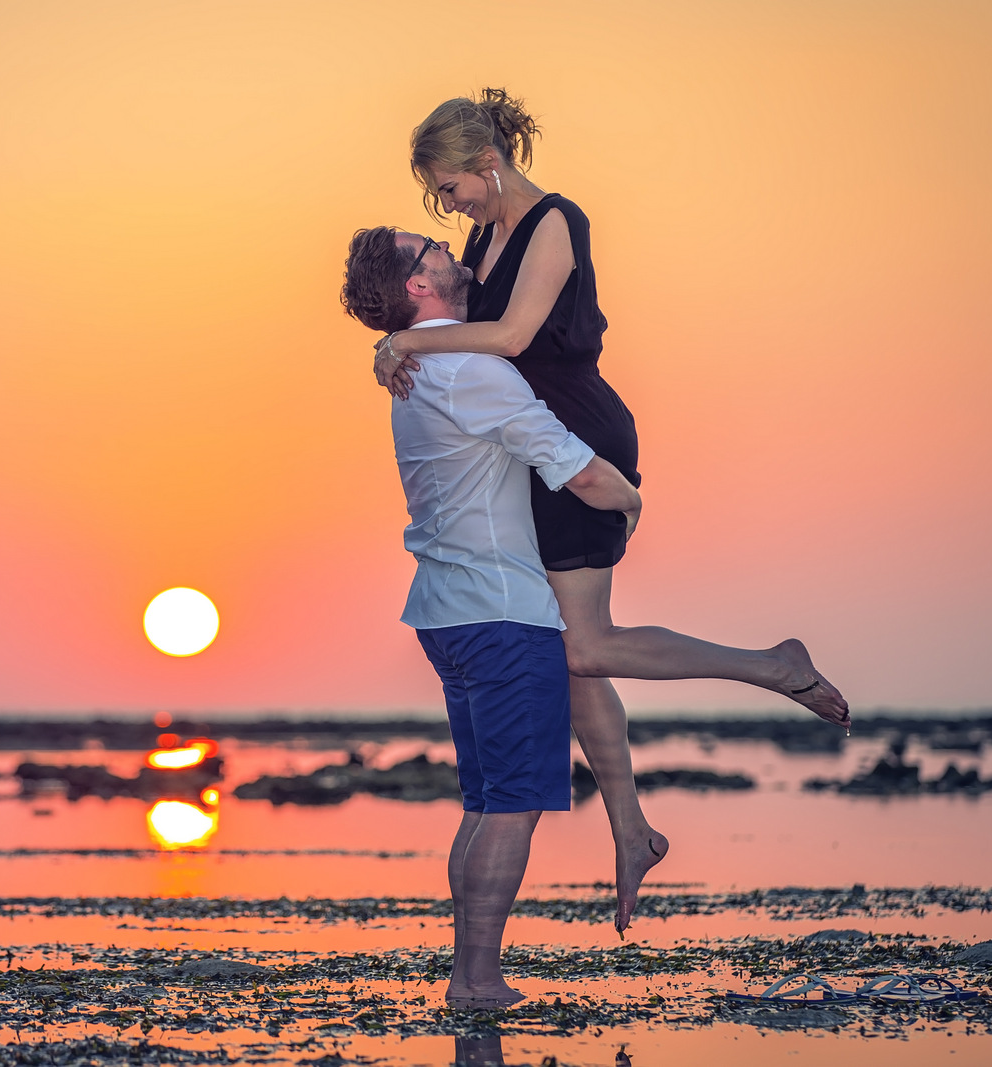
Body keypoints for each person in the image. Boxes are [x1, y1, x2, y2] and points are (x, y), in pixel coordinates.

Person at [373, 90, 850, 934]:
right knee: (571, 652)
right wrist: (398, 341)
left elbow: (515, 337)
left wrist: (405, 341)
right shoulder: (484, 237)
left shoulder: (556, 222)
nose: (450, 207)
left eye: (448, 188)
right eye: (441, 199)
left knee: (585, 645)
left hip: (578, 439)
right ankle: (631, 827)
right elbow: (472, 339)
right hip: (535, 446)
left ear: (484, 162)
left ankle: (773, 665)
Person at [341, 224, 643, 1008]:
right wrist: (630, 498)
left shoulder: (416, 368)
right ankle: (474, 980)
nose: (448, 246)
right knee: (511, 807)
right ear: (417, 284)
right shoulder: (467, 369)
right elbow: (571, 464)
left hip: (451, 616)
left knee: (484, 803)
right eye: (430, 247)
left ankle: (469, 971)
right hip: (505, 616)